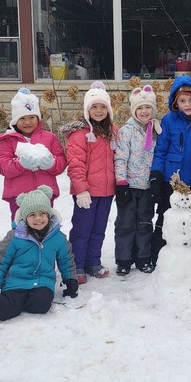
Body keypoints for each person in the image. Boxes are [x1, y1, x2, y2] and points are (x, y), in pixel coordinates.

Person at [0, 185, 78, 321]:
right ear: (25, 217)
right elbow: (0, 260)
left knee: (41, 305)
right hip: (16, 282)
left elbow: (66, 260)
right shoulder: (15, 237)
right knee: (5, 310)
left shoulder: (58, 237)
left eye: (42, 213)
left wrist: (70, 280)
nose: (38, 218)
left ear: (49, 215)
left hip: (42, 282)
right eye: (32, 215)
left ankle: (20, 303)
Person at [150, 75, 191, 255]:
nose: (187, 104)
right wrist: (156, 174)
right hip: (172, 181)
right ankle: (158, 254)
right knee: (165, 216)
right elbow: (161, 150)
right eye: (182, 100)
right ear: (175, 103)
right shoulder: (169, 121)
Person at [63, 81, 117, 281]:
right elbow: (75, 163)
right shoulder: (80, 134)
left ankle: (93, 261)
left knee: (99, 229)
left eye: (103, 106)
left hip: (106, 191)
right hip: (86, 193)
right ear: (87, 109)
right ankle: (76, 265)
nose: (99, 110)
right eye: (94, 106)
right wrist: (81, 190)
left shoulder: (112, 132)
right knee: (82, 229)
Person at [0, 87, 67, 223]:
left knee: (44, 226)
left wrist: (52, 164)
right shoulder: (8, 140)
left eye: (31, 117)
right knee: (20, 228)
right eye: (22, 118)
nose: (27, 122)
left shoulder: (50, 138)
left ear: (38, 118)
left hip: (44, 194)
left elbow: (61, 161)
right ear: (15, 120)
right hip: (18, 195)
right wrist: (20, 164)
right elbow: (3, 167)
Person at [113, 85, 162, 275]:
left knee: (145, 223)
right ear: (134, 110)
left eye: (148, 107)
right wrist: (121, 183)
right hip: (130, 186)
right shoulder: (127, 131)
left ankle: (143, 257)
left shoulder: (157, 130)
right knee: (125, 223)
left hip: (147, 186)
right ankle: (124, 259)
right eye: (140, 108)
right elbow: (121, 158)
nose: (144, 111)